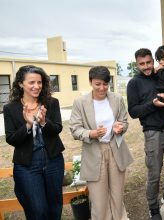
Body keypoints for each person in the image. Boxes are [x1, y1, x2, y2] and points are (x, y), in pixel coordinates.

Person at [127, 48, 164, 220]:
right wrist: (153, 104)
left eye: (148, 62)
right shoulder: (134, 83)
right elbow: (133, 111)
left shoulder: (161, 75)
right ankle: (153, 208)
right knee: (154, 172)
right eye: (141, 64)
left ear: (153, 61)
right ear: (137, 64)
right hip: (153, 132)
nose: (146, 67)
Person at [69, 66, 133, 220]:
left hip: (115, 150)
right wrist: (92, 133)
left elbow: (124, 122)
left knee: (117, 194)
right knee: (98, 198)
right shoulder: (80, 102)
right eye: (98, 84)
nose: (102, 88)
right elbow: (75, 129)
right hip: (93, 153)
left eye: (105, 84)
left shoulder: (117, 99)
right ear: (91, 82)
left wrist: (120, 128)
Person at [3, 65, 65, 220]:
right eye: (31, 82)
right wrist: (28, 125)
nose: (36, 86)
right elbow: (11, 139)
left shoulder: (51, 103)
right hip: (27, 165)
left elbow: (57, 128)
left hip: (53, 161)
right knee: (37, 210)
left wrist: (44, 122)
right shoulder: (10, 108)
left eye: (39, 82)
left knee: (55, 206)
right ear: (20, 84)